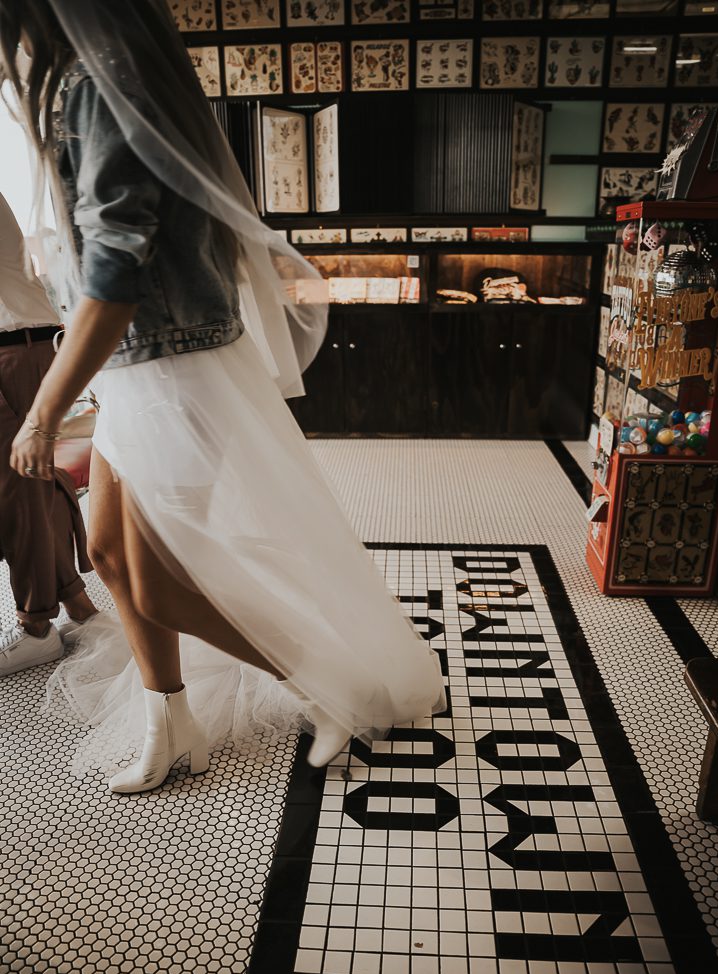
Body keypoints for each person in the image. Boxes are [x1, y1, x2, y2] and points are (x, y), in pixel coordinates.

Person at [1, 0, 444, 794]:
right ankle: (171, 723)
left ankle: (318, 683)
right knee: (109, 556)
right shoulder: (93, 79)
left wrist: (42, 415)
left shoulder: (103, 84)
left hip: (171, 369)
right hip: (140, 367)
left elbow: (115, 275)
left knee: (162, 576)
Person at [0, 190, 97, 676]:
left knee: (18, 493)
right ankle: (76, 604)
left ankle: (37, 626)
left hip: (11, 351)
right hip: (25, 345)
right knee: (32, 489)